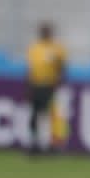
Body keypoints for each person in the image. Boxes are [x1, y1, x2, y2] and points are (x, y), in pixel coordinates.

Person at [25, 22, 66, 154]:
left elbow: (62, 67)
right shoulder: (34, 48)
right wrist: (29, 86)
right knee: (35, 116)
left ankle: (52, 145)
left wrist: (58, 83)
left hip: (50, 85)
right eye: (43, 31)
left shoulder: (57, 49)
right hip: (36, 85)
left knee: (49, 116)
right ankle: (35, 144)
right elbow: (31, 69)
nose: (44, 33)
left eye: (46, 31)